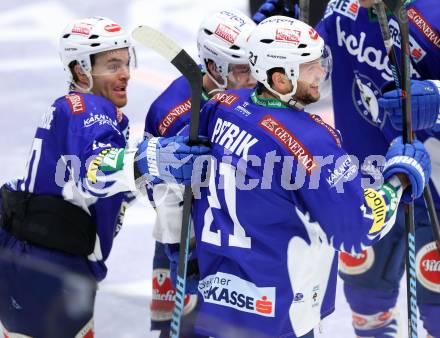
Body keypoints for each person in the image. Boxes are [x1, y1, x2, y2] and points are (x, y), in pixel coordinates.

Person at [189, 16, 431, 338]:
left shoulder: (221, 105)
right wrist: (400, 176)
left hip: (215, 308)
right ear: (279, 78)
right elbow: (358, 228)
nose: (321, 73)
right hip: (279, 317)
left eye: (320, 61)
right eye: (309, 66)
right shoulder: (313, 143)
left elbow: (182, 180)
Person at [0, 16, 209, 338]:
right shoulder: (88, 110)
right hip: (47, 266)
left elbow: (111, 184)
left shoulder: (82, 109)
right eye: (112, 65)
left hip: (38, 259)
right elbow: (94, 171)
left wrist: (158, 182)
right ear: (80, 70)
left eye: (126, 62)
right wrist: (151, 159)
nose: (125, 73)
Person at [252, 0, 440, 336]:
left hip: (432, 186)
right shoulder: (343, 9)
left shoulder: (434, 15)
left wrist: (437, 100)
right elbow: (310, 68)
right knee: (367, 304)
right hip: (362, 186)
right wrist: (280, 39)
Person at [144, 9, 257, 337]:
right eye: (241, 69)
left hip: (239, 239)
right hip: (187, 244)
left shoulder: (248, 90)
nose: (252, 77)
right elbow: (156, 188)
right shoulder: (173, 113)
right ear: (212, 66)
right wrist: (183, 246)